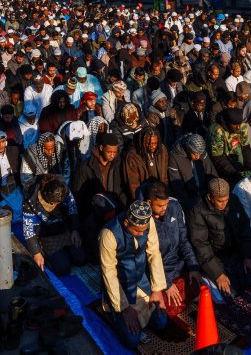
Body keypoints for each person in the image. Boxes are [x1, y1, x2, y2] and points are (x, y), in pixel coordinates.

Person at [98, 200, 169, 348]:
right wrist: (124, 308)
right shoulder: (108, 234)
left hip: (141, 283)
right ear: (126, 223)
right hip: (120, 288)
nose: (141, 233)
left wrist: (157, 289)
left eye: (144, 229)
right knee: (132, 340)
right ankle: (114, 315)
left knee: (162, 322)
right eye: (137, 230)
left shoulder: (148, 223)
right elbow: (109, 273)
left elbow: (154, 253)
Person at [187, 178, 251, 298]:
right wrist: (217, 274)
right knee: (228, 294)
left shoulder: (233, 200)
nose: (225, 204)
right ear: (209, 197)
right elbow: (201, 245)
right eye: (220, 201)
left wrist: (248, 256)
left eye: (226, 200)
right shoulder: (197, 211)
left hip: (237, 254)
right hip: (216, 258)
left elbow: (244, 229)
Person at [144, 181, 202, 316]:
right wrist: (167, 284)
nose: (164, 208)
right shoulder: (143, 221)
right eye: (160, 205)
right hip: (158, 272)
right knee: (163, 311)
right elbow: (148, 259)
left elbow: (183, 240)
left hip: (179, 265)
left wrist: (193, 267)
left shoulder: (174, 207)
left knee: (200, 288)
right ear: (149, 202)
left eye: (166, 204)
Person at [72, 132, 127, 256]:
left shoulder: (117, 164)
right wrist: (78, 225)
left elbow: (121, 189)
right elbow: (78, 197)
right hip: (93, 216)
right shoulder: (85, 168)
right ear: (101, 148)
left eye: (115, 152)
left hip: (114, 212)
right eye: (109, 152)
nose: (112, 155)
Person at [22, 174, 85, 275]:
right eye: (53, 203)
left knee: (81, 258)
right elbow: (28, 229)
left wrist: (74, 230)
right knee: (63, 268)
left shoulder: (62, 188)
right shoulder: (31, 200)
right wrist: (36, 252)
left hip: (64, 228)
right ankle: (46, 252)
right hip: (46, 234)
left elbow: (72, 207)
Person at [167, 133, 219, 206]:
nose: (198, 157)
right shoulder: (174, 157)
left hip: (205, 194)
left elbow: (211, 173)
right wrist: (189, 203)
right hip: (189, 198)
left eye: (200, 154)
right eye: (195, 154)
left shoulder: (201, 152)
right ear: (188, 148)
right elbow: (177, 185)